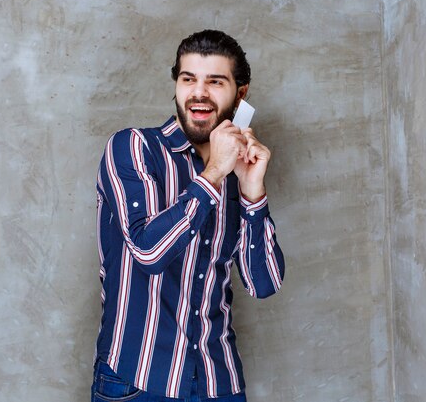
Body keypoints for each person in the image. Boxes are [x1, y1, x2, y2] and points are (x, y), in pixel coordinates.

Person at [91, 29, 285, 402]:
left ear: (240, 94)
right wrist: (213, 174)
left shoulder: (239, 168)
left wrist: (252, 191)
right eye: (188, 79)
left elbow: (263, 285)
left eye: (215, 81)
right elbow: (149, 252)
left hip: (219, 382)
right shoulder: (132, 148)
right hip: (138, 381)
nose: (199, 93)